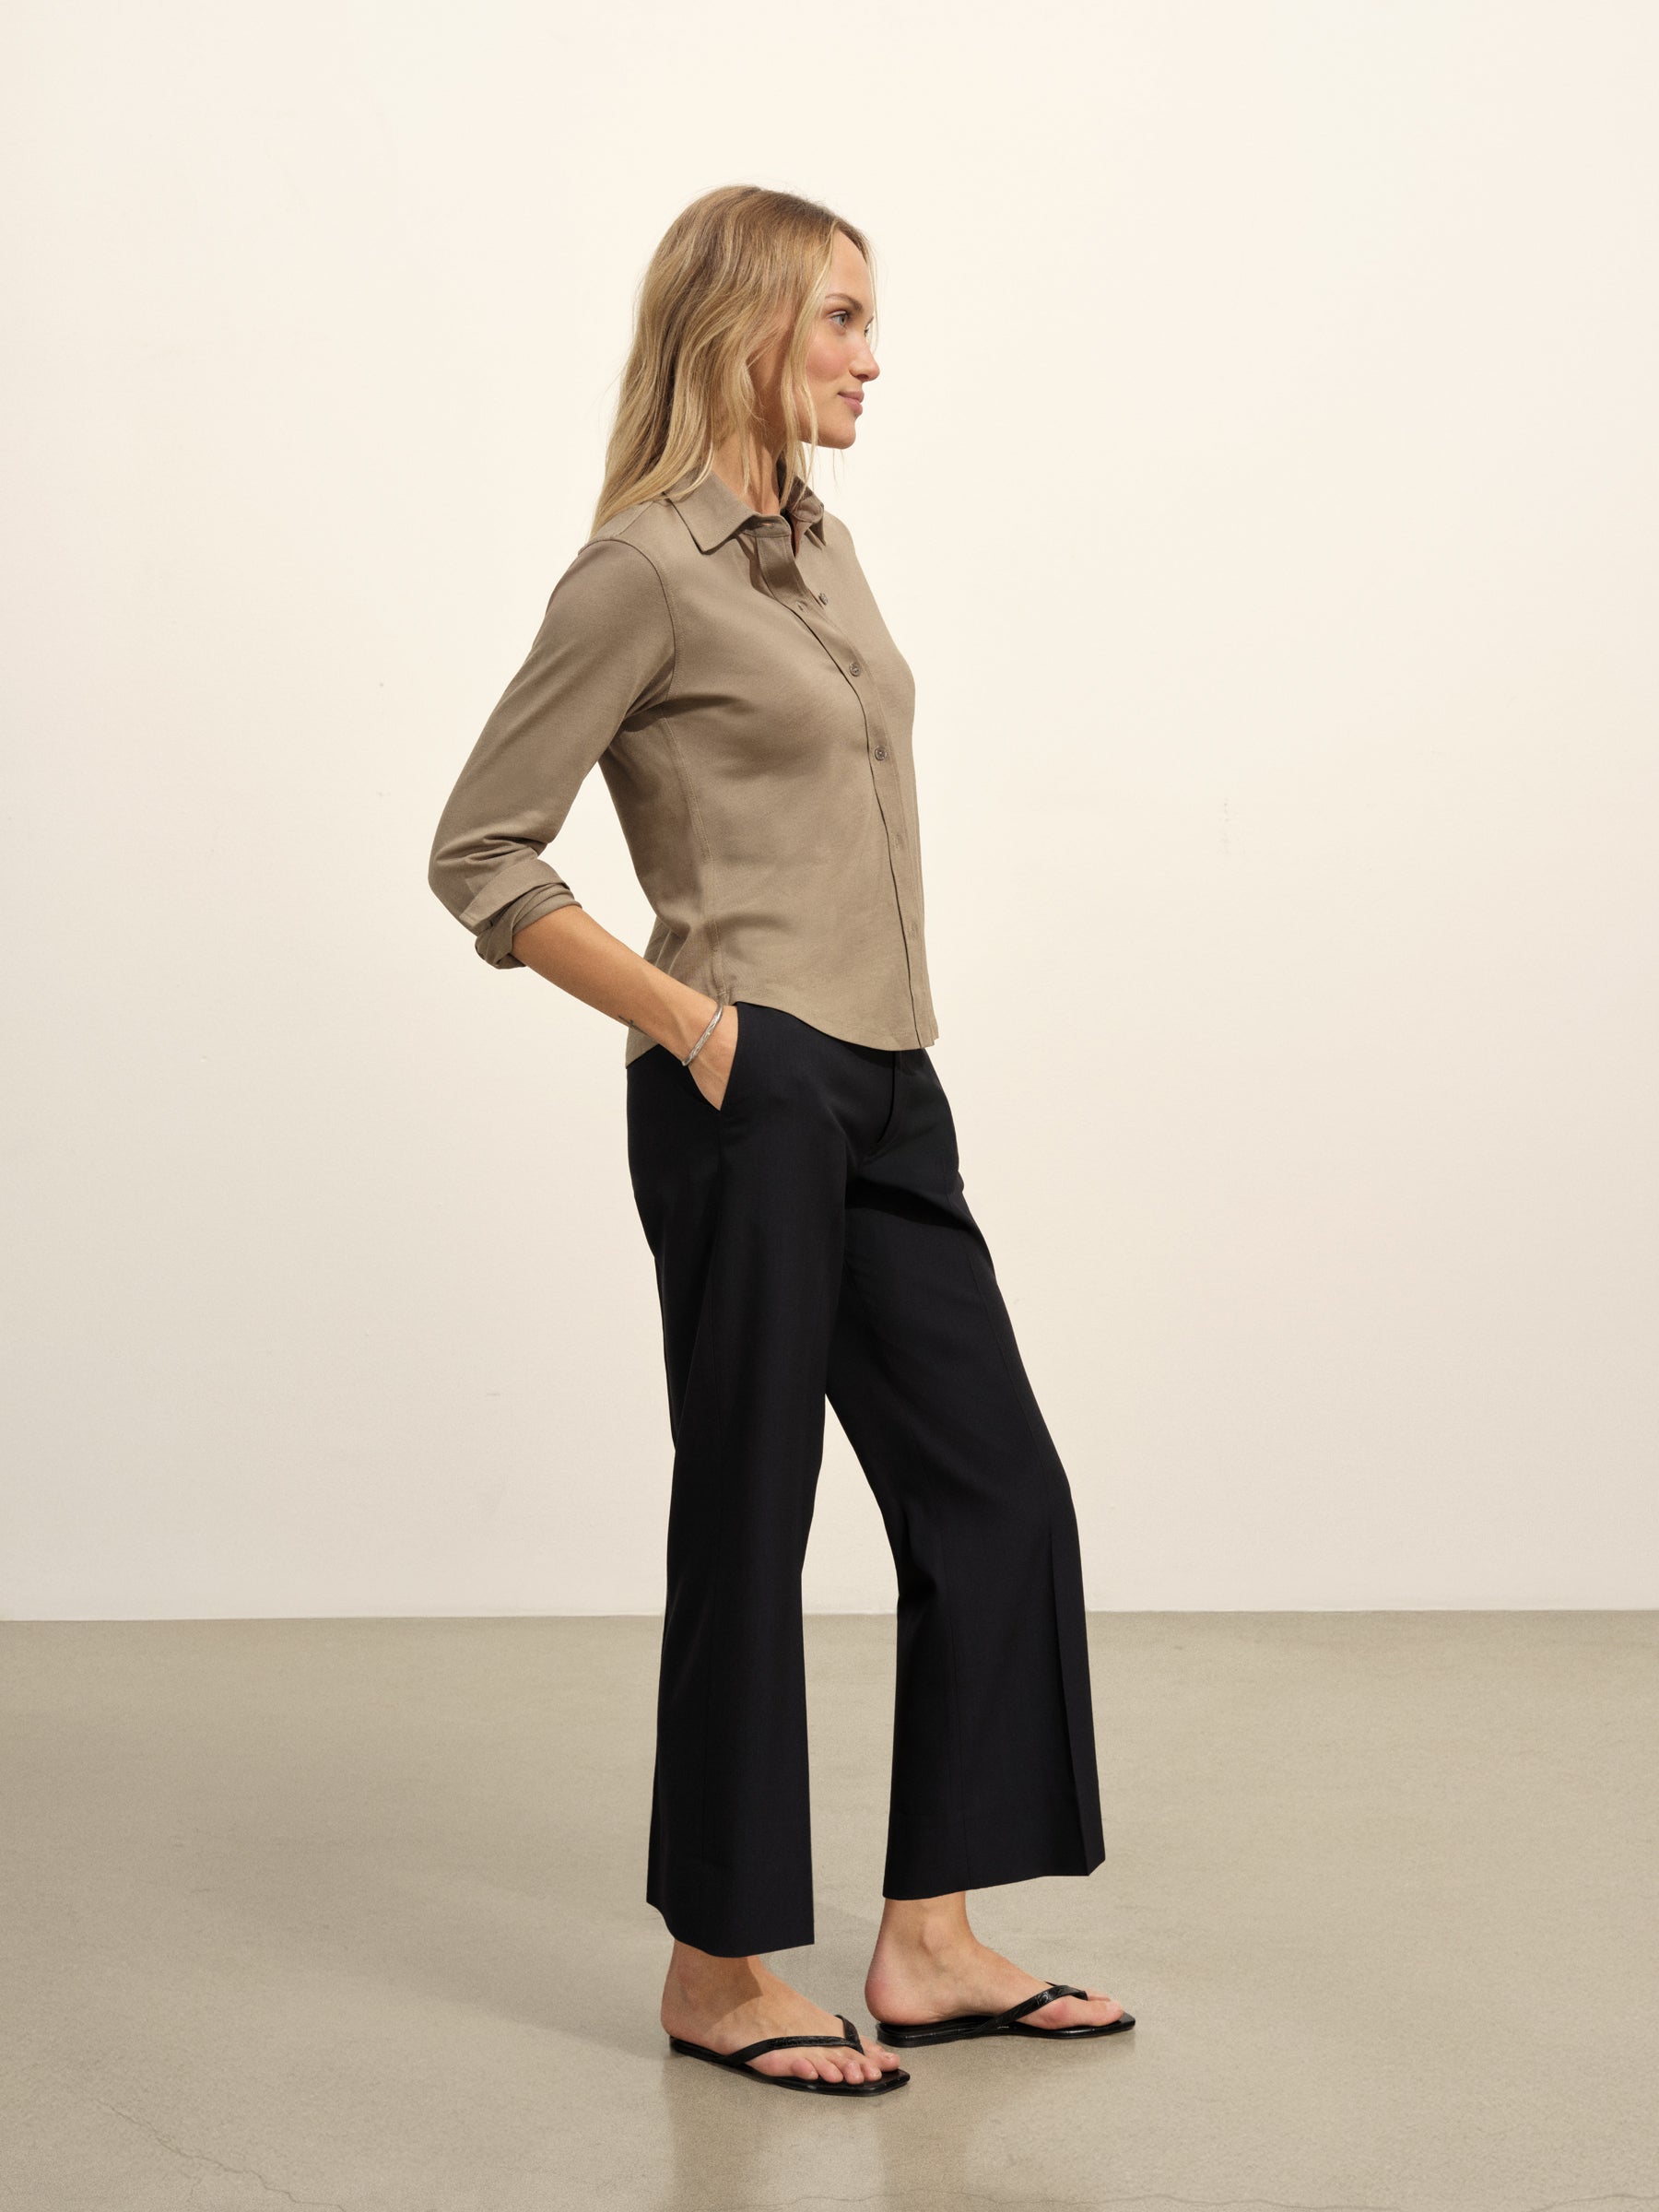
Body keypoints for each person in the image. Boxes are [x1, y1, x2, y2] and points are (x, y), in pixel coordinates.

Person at [427, 184, 1134, 2099]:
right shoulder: (637, 574)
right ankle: (720, 1970)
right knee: (752, 1510)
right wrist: (693, 1024)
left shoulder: (822, 548)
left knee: (998, 1493)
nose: (871, 358)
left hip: (892, 1076)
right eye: (839, 319)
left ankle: (931, 1945)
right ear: (741, 325)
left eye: (868, 322)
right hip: (746, 1085)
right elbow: (479, 850)